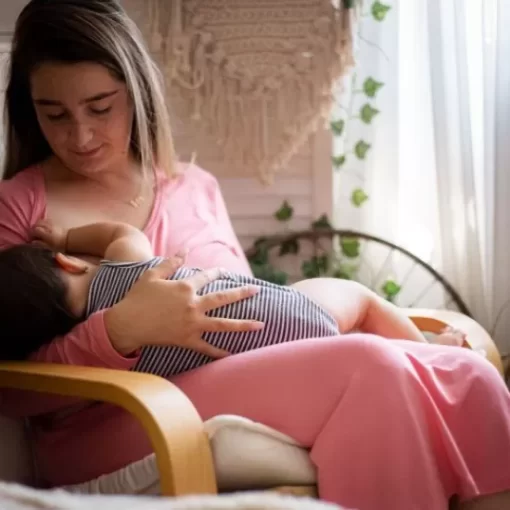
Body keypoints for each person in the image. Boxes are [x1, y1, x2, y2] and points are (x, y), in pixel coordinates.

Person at [0, 1, 509, 509]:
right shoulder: (20, 206)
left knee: (475, 376)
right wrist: (121, 331)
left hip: (235, 376)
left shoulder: (193, 188)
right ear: (30, 109)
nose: (81, 135)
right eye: (55, 114)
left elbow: (254, 320)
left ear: (136, 95)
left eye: (100, 107)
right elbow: (12, 387)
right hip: (120, 414)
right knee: (369, 365)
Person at [0, 218, 428, 366]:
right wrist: (65, 235)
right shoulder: (122, 263)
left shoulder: (95, 358)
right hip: (292, 311)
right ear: (68, 263)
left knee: (346, 335)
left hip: (267, 361)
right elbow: (122, 230)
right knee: (359, 297)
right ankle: (432, 353)